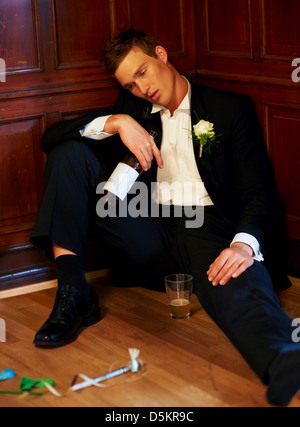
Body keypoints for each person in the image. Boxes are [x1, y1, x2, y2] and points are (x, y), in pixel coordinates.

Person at [30, 30, 300, 406]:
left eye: (143, 72)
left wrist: (244, 243)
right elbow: (51, 137)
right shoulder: (132, 106)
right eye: (130, 84)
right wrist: (117, 122)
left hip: (204, 225)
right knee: (68, 155)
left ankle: (283, 357)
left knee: (233, 269)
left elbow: (259, 191)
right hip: (146, 225)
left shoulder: (228, 108)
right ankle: (74, 290)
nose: (141, 88)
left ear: (161, 54)